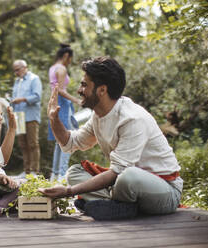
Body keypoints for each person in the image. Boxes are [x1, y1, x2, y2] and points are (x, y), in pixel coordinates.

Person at [39, 56, 183, 220]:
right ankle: (117, 207)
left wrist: (68, 192)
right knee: (74, 173)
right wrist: (54, 120)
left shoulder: (131, 118)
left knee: (128, 177)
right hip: (123, 185)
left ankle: (106, 204)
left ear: (102, 90)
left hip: (165, 191)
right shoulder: (98, 115)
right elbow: (70, 143)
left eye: (84, 84)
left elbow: (117, 172)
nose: (79, 90)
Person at [48, 43, 81, 182]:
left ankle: (55, 175)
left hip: (54, 104)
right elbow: (61, 90)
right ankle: (62, 175)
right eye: (70, 58)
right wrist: (77, 100)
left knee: (58, 141)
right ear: (66, 55)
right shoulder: (61, 69)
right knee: (68, 139)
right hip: (62, 106)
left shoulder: (52, 68)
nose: (70, 62)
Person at [11, 60, 42, 177]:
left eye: (18, 70)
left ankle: (35, 170)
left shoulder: (34, 79)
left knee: (33, 143)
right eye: (15, 70)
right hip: (19, 116)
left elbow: (37, 96)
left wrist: (23, 99)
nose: (16, 73)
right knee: (23, 144)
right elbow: (14, 97)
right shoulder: (17, 81)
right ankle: (27, 170)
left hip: (30, 116)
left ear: (25, 67)